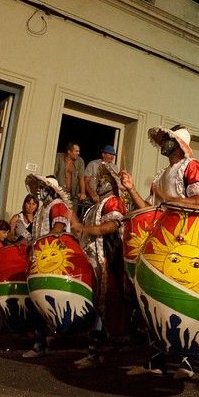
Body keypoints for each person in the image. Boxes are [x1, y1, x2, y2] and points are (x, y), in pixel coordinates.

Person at [120, 124, 199, 379]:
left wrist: (170, 201)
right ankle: (156, 361)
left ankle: (186, 363)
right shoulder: (162, 174)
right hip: (158, 240)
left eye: (167, 139)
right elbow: (149, 209)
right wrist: (130, 188)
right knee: (152, 301)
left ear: (179, 144)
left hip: (182, 241)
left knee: (176, 301)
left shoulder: (193, 167)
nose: (162, 143)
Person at [71, 164, 129, 368]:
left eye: (105, 180)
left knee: (103, 306)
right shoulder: (97, 205)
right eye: (100, 179)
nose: (100, 182)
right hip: (93, 261)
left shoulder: (114, 202)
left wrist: (82, 227)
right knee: (97, 305)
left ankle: (95, 353)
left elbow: (111, 227)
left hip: (107, 261)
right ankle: (101, 349)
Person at [22, 174, 73, 358]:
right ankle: (41, 342)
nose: (39, 191)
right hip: (40, 258)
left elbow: (58, 229)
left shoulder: (57, 205)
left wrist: (40, 244)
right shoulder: (43, 208)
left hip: (51, 259)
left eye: (42, 188)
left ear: (50, 189)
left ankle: (42, 343)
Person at [53, 141, 87, 218]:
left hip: (72, 194)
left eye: (79, 151)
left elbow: (81, 178)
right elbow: (54, 174)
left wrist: (82, 192)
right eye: (76, 151)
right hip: (59, 192)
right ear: (69, 151)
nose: (78, 153)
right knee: (58, 215)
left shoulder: (80, 161)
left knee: (71, 216)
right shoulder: (59, 157)